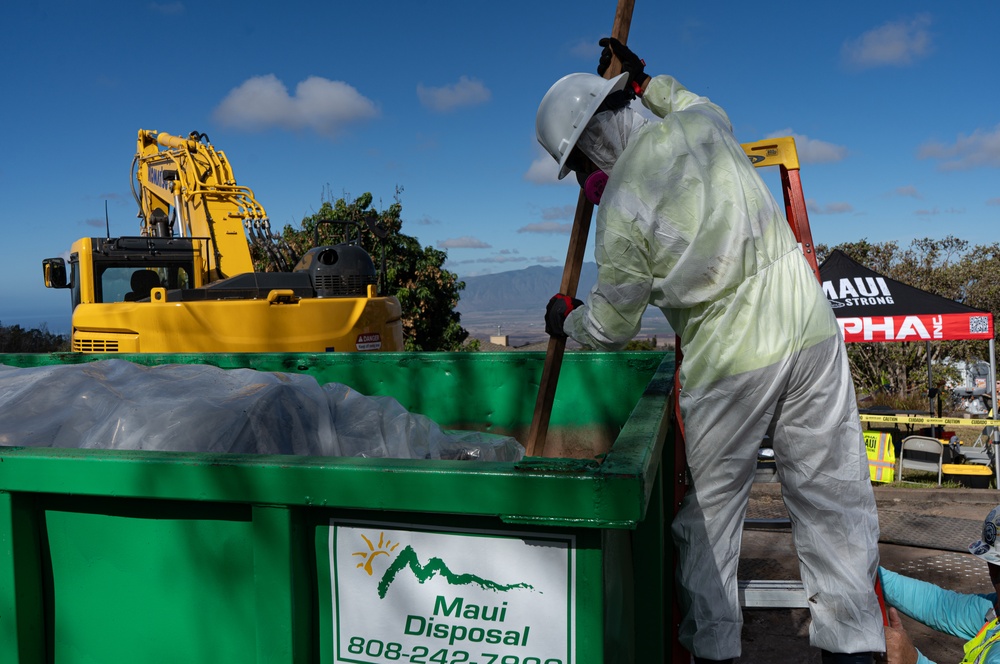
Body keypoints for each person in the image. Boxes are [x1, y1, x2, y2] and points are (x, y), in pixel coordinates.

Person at [535, 38, 885, 664]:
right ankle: (853, 649)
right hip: (808, 329)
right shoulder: (704, 121)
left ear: (588, 146)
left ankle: (716, 654)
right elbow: (679, 97)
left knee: (710, 529)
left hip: (730, 362)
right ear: (623, 103)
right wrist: (643, 81)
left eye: (584, 159)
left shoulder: (619, 208)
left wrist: (568, 321)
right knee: (835, 505)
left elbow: (612, 327)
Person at [881, 504, 1000, 664]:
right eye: (992, 564)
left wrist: (912, 660)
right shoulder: (994, 611)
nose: (993, 574)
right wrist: (868, 570)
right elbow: (939, 604)